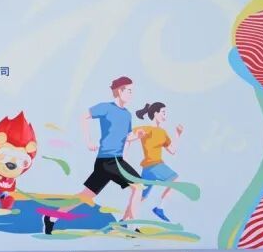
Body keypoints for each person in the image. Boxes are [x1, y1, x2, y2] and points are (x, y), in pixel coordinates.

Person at [43, 76, 145, 234]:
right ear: (120, 91)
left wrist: (137, 136)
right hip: (108, 160)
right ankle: (130, 226)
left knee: (86, 195)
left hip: (112, 161)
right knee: (138, 186)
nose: (132, 94)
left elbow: (126, 136)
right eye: (129, 91)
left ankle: (52, 217)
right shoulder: (106, 107)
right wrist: (88, 141)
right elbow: (84, 116)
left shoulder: (127, 115)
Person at [130, 101, 185, 222]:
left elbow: (172, 150)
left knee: (140, 198)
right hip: (154, 165)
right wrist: (136, 136)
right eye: (163, 112)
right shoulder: (146, 129)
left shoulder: (162, 133)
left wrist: (177, 134)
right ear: (155, 113)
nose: (165, 115)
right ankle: (159, 208)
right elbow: (128, 136)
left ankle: (125, 220)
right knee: (175, 179)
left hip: (148, 169)